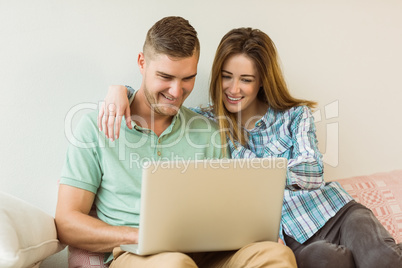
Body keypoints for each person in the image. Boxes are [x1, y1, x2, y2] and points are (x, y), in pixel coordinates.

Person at [101, 27, 402, 267]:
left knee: (381, 259)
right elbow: (160, 100)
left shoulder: (294, 116)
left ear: (261, 82)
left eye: (246, 79)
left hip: (332, 213)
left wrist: (257, 176)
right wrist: (121, 92)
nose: (234, 89)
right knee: (329, 261)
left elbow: (311, 173)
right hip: (289, 240)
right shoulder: (208, 123)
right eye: (227, 77)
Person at [57, 16, 296, 268]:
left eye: (187, 79)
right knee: (173, 264)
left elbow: (225, 210)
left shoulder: (208, 131)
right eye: (165, 76)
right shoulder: (96, 127)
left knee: (275, 255)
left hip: (209, 253)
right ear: (142, 63)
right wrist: (142, 237)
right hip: (140, 256)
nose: (176, 91)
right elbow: (66, 222)